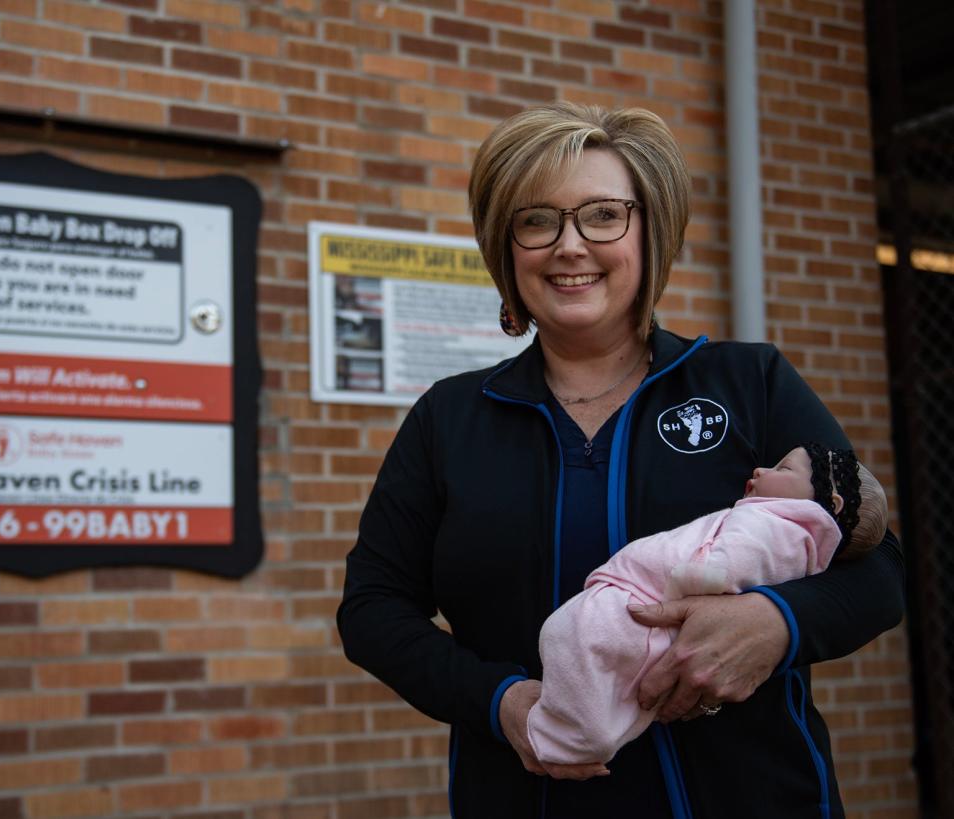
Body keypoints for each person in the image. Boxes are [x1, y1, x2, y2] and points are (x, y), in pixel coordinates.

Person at [337, 102, 904, 818]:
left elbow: (881, 568)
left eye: (603, 215)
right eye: (536, 220)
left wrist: (775, 623)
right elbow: (372, 609)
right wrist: (499, 701)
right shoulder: (449, 419)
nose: (569, 245)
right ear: (507, 248)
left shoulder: (749, 384)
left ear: (648, 229)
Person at [529, 444, 888, 778]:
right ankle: (587, 732)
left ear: (832, 503)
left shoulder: (778, 526)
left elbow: (729, 567)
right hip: (651, 609)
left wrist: (685, 584)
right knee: (608, 675)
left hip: (652, 607)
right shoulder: (786, 532)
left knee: (564, 632)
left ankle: (569, 737)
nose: (760, 469)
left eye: (783, 468)